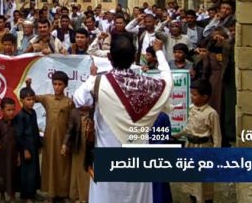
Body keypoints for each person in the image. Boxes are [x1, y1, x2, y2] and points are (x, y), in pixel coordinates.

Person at [73, 37, 172, 202]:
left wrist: (92, 76)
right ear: (134, 58)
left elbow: (78, 100)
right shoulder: (150, 86)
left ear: (109, 57)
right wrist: (160, 52)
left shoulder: (98, 83)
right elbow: (168, 81)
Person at [25, 71, 72, 203]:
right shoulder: (48, 98)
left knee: (62, 166)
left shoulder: (69, 102)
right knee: (50, 164)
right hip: (49, 139)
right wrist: (28, 85)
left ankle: (63, 193)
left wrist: (66, 143)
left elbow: (71, 125)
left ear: (65, 86)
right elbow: (32, 97)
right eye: (55, 84)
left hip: (63, 140)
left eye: (60, 84)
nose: (57, 87)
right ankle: (50, 194)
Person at [173, 79, 221, 203]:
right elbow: (188, 127)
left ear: (204, 97)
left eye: (194, 95)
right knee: (191, 181)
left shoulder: (211, 114)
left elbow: (217, 137)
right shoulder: (192, 109)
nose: (192, 97)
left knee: (203, 182)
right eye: (191, 94)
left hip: (203, 149)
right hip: (190, 147)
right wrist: (176, 136)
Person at [15, 83, 41, 203]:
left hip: (34, 146)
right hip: (26, 148)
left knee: (34, 171)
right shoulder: (20, 116)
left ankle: (33, 192)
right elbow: (19, 135)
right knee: (27, 173)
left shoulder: (33, 112)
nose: (31, 102)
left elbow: (35, 129)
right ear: (22, 100)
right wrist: (24, 149)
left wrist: (39, 144)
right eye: (28, 99)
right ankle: (26, 196)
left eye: (33, 99)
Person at [0, 97, 20, 203]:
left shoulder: (16, 124)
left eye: (13, 110)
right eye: (8, 110)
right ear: (2, 110)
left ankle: (12, 195)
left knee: (13, 175)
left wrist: (18, 156)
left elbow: (19, 140)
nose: (11, 112)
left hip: (13, 155)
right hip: (2, 156)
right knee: (1, 175)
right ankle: (2, 195)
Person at [63, 106, 91, 203]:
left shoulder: (93, 111)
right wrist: (64, 144)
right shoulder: (74, 112)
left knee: (86, 169)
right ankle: (75, 195)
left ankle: (84, 197)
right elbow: (69, 130)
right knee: (77, 168)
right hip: (77, 144)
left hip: (90, 144)